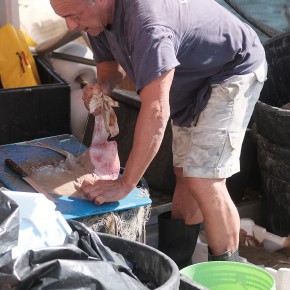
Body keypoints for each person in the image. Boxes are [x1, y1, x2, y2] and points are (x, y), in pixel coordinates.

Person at [50, 0, 267, 268]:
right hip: (193, 78)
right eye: (64, 17)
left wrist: (124, 185)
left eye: (72, 15)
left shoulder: (147, 24)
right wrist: (103, 87)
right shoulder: (96, 20)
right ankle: (176, 269)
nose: (70, 25)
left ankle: (226, 279)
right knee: (185, 175)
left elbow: (156, 111)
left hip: (232, 69)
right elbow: (109, 64)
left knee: (204, 179)